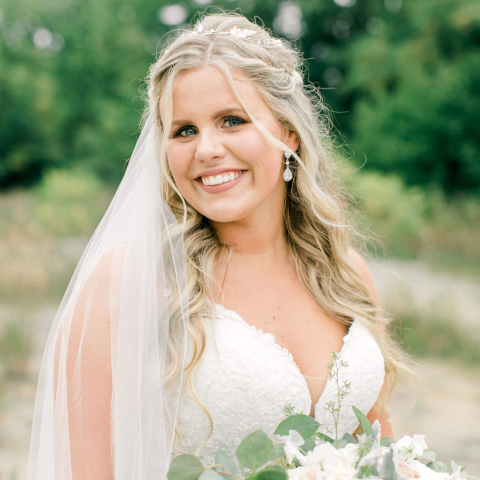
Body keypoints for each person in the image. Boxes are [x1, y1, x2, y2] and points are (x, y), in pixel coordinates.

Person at [28, 12, 409, 480]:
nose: (206, 149)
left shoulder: (345, 273)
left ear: (288, 132)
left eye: (231, 120)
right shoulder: (131, 282)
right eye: (184, 130)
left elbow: (380, 454)